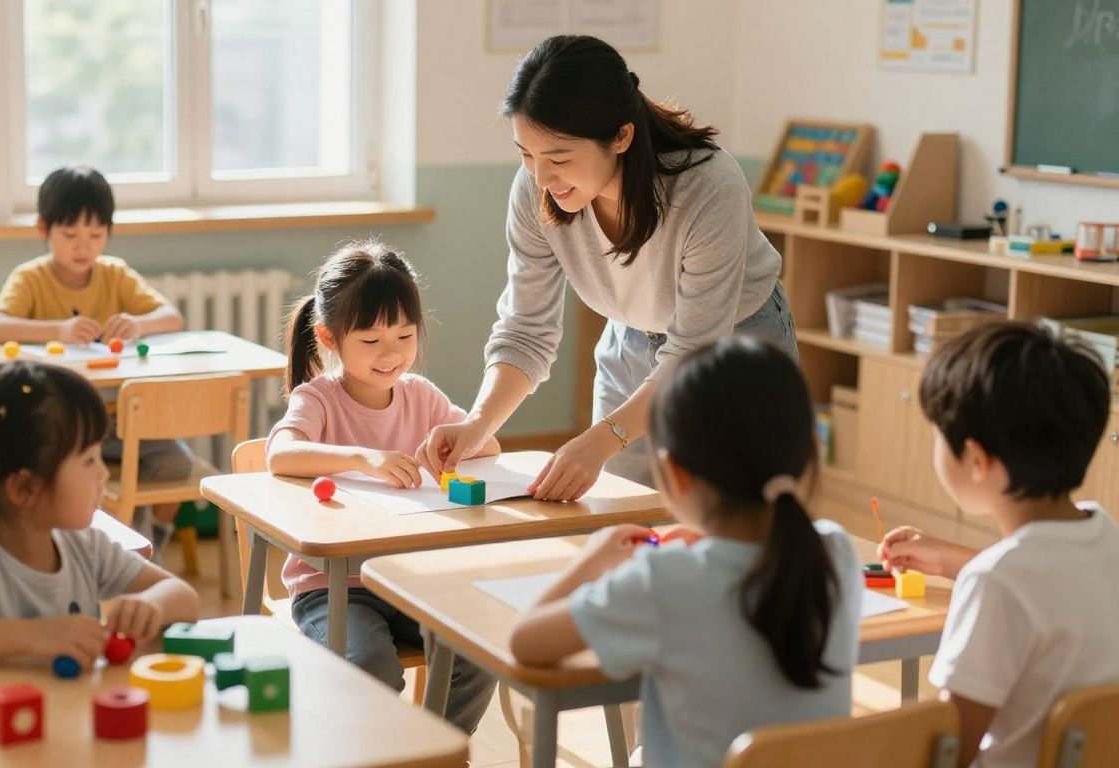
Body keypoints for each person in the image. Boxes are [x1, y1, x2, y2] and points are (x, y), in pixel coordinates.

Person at [418, 35, 793, 497]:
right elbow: (526, 331)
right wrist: (477, 422)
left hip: (735, 347)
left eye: (558, 158)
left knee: (736, 520)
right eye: (526, 154)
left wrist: (603, 438)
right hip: (631, 341)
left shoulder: (708, 186)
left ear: (621, 135)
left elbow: (694, 348)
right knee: (622, 517)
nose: (540, 177)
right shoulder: (536, 190)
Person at [511, 336, 861, 768]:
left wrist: (595, 557)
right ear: (808, 455)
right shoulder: (837, 554)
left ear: (674, 474)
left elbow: (525, 642)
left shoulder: (666, 580)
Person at [265, 239, 499, 733]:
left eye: (405, 336)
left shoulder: (422, 396)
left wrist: (456, 443)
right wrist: (362, 458)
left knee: (478, 649)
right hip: (333, 588)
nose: (391, 354)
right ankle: (383, 754)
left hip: (411, 577)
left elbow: (490, 449)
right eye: (370, 341)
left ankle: (434, 753)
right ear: (329, 338)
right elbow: (279, 453)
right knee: (368, 665)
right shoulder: (320, 398)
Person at [877, 322, 1119, 768]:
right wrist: (958, 561)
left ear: (976, 459)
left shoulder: (997, 582)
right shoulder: (1105, 535)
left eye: (937, 434)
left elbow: (947, 749)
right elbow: (1049, 587)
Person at [0, 361, 199, 665]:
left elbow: (183, 596)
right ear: (24, 488)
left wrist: (150, 605)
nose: (103, 475)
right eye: (89, 461)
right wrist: (34, 635)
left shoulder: (86, 546)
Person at [0, 165, 193, 550]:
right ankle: (86, 549)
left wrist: (137, 324)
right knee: (59, 476)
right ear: (44, 230)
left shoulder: (114, 274)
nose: (83, 246)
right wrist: (58, 330)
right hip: (55, 424)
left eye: (95, 235)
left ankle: (146, 545)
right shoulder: (31, 278)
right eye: (70, 234)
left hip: (119, 422)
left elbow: (172, 317)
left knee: (176, 464)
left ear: (108, 232)